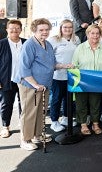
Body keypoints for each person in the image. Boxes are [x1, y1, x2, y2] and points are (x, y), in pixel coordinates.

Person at [16, 18, 71, 150]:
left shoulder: (48, 44)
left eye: (47, 29)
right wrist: (35, 84)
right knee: (30, 112)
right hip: (30, 85)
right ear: (34, 30)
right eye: (41, 30)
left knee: (41, 111)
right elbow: (23, 69)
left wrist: (65, 65)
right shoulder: (29, 45)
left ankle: (37, 134)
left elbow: (52, 64)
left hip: (44, 84)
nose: (44, 32)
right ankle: (25, 139)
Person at [72, 24, 102, 136]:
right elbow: (74, 65)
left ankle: (95, 124)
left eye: (97, 33)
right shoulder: (80, 48)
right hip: (81, 82)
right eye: (92, 33)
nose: (95, 35)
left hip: (97, 83)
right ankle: (83, 124)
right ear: (87, 34)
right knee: (81, 104)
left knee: (95, 103)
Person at [48, 19, 80, 132]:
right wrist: (62, 66)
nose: (68, 29)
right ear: (61, 28)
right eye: (65, 27)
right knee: (56, 99)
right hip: (58, 75)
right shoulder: (53, 40)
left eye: (70, 27)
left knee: (69, 99)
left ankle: (66, 118)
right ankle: (54, 121)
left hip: (72, 76)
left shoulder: (76, 39)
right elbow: (49, 59)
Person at [0, 20, 25, 138]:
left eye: (17, 28)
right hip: (6, 79)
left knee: (24, 103)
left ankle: (23, 122)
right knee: (6, 103)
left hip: (24, 79)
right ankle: (6, 126)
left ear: (21, 29)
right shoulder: (2, 44)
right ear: (7, 30)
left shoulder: (26, 43)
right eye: (11, 28)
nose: (14, 30)